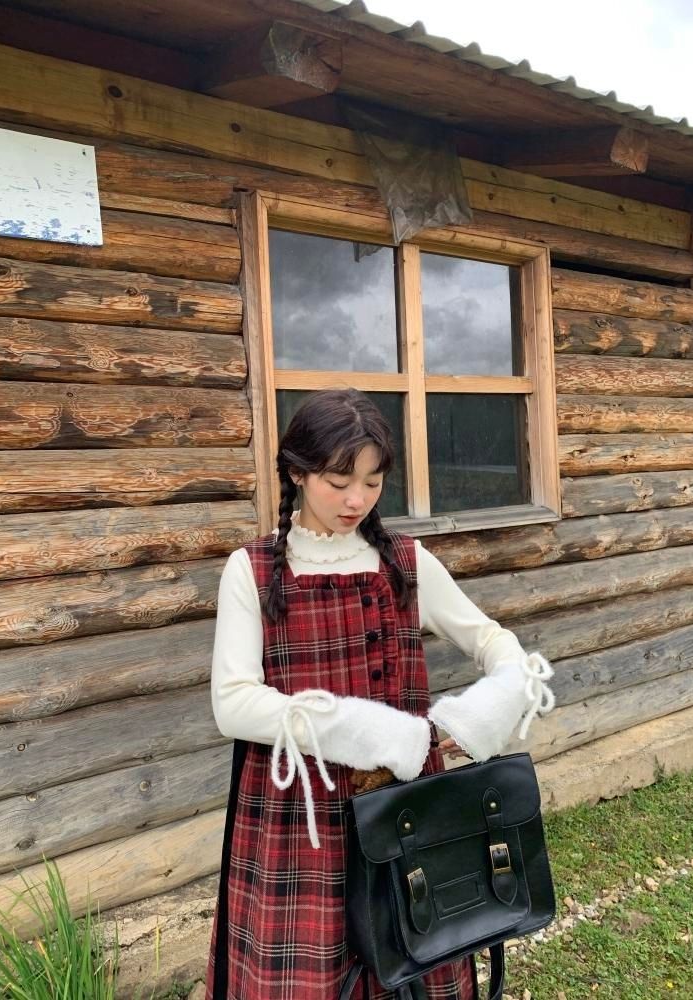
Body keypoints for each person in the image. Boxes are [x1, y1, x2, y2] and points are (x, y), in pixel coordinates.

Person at [205, 389, 554, 1000]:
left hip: (406, 808)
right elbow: (232, 702)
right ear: (297, 472)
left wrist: (483, 710)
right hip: (299, 818)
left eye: (372, 481)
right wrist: (368, 731)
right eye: (339, 481)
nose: (357, 500)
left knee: (415, 956)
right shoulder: (253, 570)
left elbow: (497, 645)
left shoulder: (406, 563)